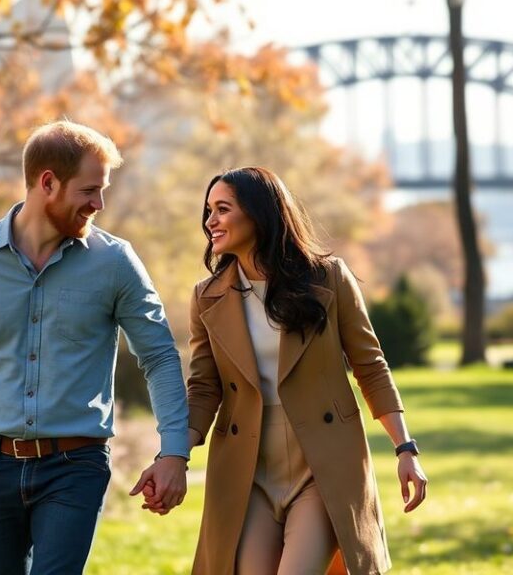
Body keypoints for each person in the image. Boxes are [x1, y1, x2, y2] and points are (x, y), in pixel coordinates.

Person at [0, 120, 189, 575]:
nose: (99, 204)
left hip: (75, 465)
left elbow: (159, 355)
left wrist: (174, 452)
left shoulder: (115, 263)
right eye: (90, 190)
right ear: (48, 182)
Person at [180, 167, 427, 575]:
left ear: (260, 214)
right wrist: (175, 455)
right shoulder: (207, 297)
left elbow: (371, 366)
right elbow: (204, 389)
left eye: (222, 209)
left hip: (322, 468)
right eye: (208, 211)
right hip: (248, 474)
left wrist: (405, 449)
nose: (210, 222)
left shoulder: (328, 278)